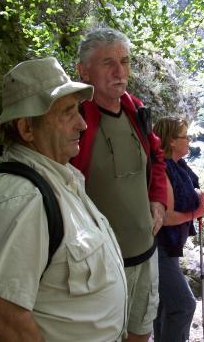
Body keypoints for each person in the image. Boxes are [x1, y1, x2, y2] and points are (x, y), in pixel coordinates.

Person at [0, 57, 127, 341]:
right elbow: (7, 320)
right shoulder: (22, 198)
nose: (82, 124)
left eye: (78, 110)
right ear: (27, 128)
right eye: (67, 112)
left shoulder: (60, 175)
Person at [71, 27, 168, 342]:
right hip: (100, 263)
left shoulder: (135, 108)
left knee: (141, 333)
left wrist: (158, 201)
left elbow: (157, 156)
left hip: (145, 250)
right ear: (83, 71)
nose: (119, 72)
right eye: (107, 63)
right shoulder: (72, 118)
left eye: (124, 62)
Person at [151, 117, 204, 342]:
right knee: (184, 305)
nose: (189, 140)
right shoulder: (163, 171)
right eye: (185, 136)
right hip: (159, 248)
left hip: (169, 249)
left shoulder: (179, 166)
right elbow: (165, 217)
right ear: (172, 141)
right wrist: (197, 212)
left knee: (164, 305)